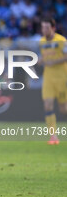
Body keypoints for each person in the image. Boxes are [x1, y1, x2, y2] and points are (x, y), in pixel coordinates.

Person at [39, 17, 67, 145]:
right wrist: (40, 61)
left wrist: (53, 62)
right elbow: (44, 57)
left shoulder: (61, 41)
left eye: (47, 27)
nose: (44, 30)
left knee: (63, 108)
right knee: (47, 105)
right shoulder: (41, 42)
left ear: (53, 28)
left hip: (62, 78)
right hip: (48, 78)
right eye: (42, 27)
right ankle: (53, 136)